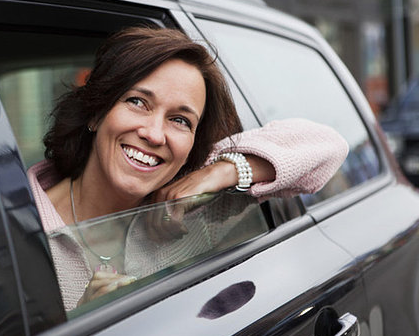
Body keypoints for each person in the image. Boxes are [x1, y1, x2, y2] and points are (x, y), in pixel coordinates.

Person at [28, 26, 348, 311]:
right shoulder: (12, 229)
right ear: (96, 113)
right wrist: (80, 317)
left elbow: (329, 145)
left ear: (193, 146)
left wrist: (218, 172)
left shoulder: (192, 211)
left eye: (180, 120)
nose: (154, 134)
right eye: (138, 102)